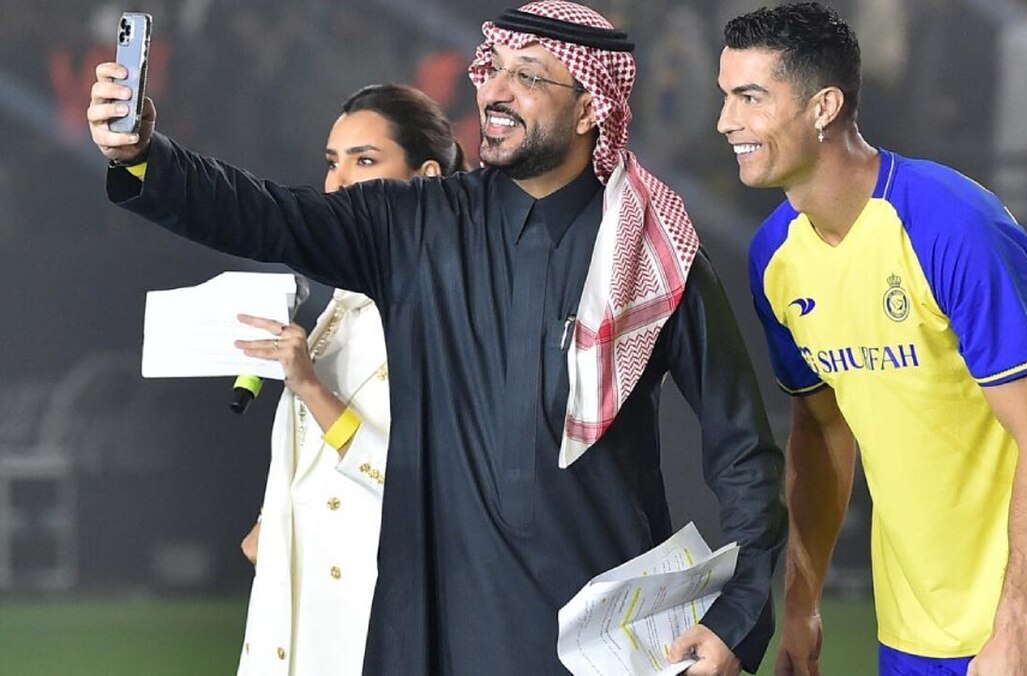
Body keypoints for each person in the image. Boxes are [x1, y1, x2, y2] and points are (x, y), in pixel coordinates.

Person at [87, 2, 785, 674]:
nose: (497, 91)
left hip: (603, 644)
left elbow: (742, 453)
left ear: (589, 108)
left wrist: (737, 617)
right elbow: (263, 214)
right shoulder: (414, 225)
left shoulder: (651, 256)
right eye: (493, 67)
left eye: (529, 74)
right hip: (436, 633)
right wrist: (146, 155)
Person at [716, 4, 1027, 675]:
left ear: (823, 107)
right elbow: (821, 432)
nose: (726, 121)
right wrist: (801, 604)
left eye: (750, 97)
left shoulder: (954, 224)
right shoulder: (774, 255)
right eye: (726, 96)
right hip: (913, 633)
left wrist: (1015, 625)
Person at [234, 83, 466, 675]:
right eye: (332, 162)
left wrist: (311, 387)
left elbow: (411, 476)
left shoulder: (444, 308)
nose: (337, 184)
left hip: (369, 602)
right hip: (300, 590)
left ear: (427, 178)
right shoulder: (344, 299)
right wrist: (273, 517)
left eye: (364, 161)